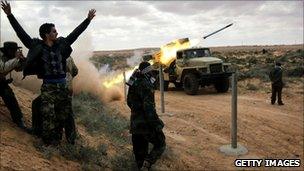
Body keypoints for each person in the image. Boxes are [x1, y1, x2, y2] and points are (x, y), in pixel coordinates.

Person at [1, 0, 96, 145]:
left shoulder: (61, 44)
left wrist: (87, 20)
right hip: (49, 89)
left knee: (64, 116)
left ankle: (65, 142)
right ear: (46, 34)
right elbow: (21, 34)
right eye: (53, 31)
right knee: (49, 118)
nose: (56, 32)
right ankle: (48, 146)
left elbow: (75, 34)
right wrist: (10, 15)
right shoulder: (37, 46)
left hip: (62, 87)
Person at [127, 61, 166, 170]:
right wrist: (157, 124)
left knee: (139, 154)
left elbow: (129, 102)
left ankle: (142, 166)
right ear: (148, 72)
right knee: (160, 143)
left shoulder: (133, 83)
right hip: (145, 126)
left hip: (135, 126)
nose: (154, 74)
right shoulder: (147, 85)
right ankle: (148, 162)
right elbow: (149, 110)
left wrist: (137, 112)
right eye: (152, 72)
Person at [31, 56, 78, 144]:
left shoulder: (50, 56)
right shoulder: (69, 56)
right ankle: (71, 139)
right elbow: (75, 71)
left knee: (39, 105)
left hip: (57, 89)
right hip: (67, 88)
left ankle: (39, 133)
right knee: (67, 113)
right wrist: (69, 77)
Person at [0, 41, 27, 129]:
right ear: (8, 51)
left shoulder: (11, 57)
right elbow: (3, 69)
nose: (16, 52)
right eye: (14, 50)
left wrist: (22, 61)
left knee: (10, 96)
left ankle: (19, 120)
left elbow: (18, 69)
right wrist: (16, 59)